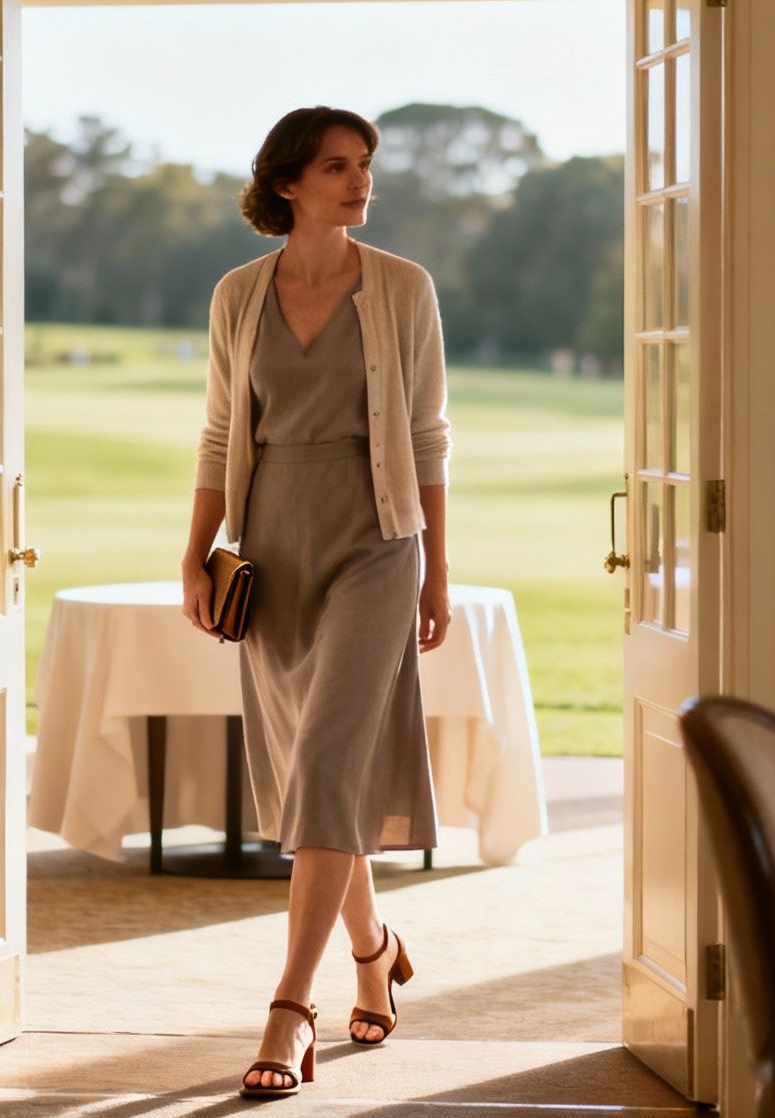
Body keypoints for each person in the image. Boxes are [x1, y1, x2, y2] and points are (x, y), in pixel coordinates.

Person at [179, 106, 453, 1100]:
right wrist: (197, 545)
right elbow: (220, 432)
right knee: (314, 771)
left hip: (375, 538)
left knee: (332, 754)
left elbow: (426, 436)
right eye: (336, 166)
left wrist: (437, 566)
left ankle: (288, 1007)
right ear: (288, 181)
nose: (358, 181)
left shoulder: (401, 288)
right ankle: (375, 950)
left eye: (364, 166)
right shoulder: (238, 294)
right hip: (271, 544)